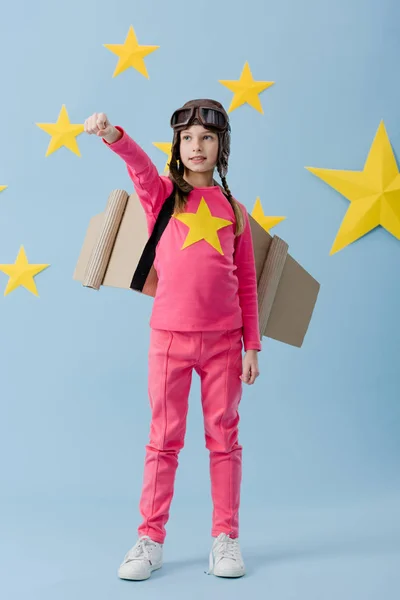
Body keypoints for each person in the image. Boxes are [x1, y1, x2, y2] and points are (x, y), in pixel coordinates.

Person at [83, 99, 261, 580]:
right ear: (177, 148)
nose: (196, 146)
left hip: (225, 343)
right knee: (164, 439)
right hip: (168, 342)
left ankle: (225, 538)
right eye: (187, 138)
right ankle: (150, 538)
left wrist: (252, 345)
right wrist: (113, 135)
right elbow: (139, 167)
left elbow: (246, 281)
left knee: (224, 440)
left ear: (221, 147)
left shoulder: (235, 211)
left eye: (207, 137)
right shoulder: (162, 196)